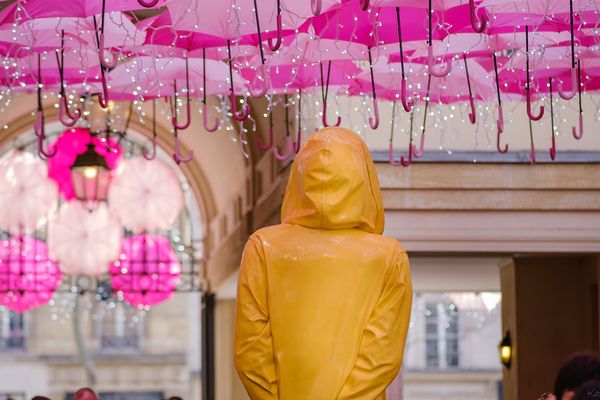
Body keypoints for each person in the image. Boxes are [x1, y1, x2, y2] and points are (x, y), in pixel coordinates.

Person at [234, 127, 413, 400]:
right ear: (363, 176)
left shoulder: (263, 247)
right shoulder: (389, 256)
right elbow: (381, 356)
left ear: (299, 175)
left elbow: (250, 351)